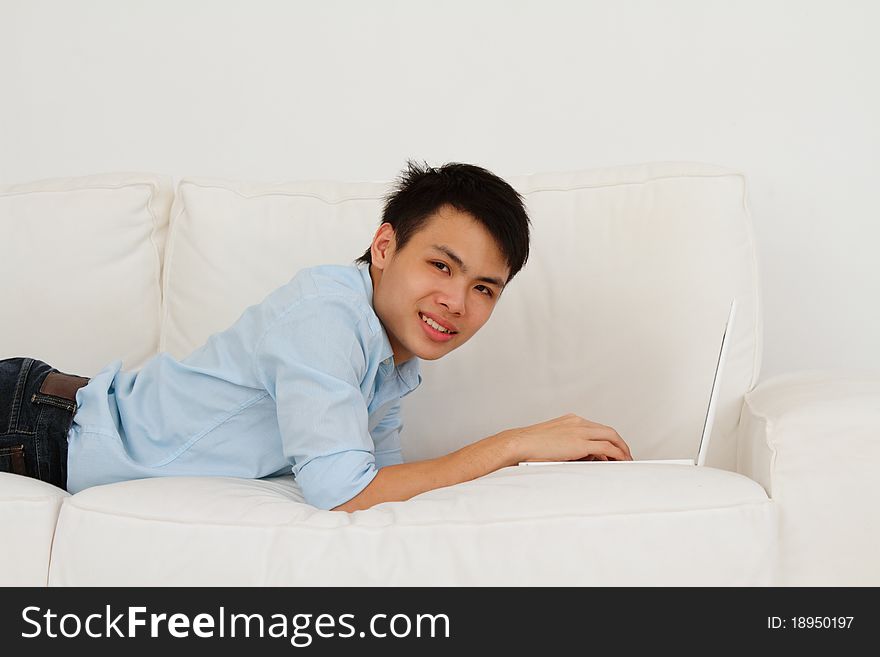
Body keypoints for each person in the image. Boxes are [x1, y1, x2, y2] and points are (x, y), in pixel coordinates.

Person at [0, 160, 632, 512]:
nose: (456, 302)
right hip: (37, 427)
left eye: (484, 288)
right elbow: (343, 492)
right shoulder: (328, 320)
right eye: (441, 265)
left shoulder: (389, 359)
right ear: (385, 247)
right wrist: (516, 444)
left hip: (53, 415)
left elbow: (377, 484)